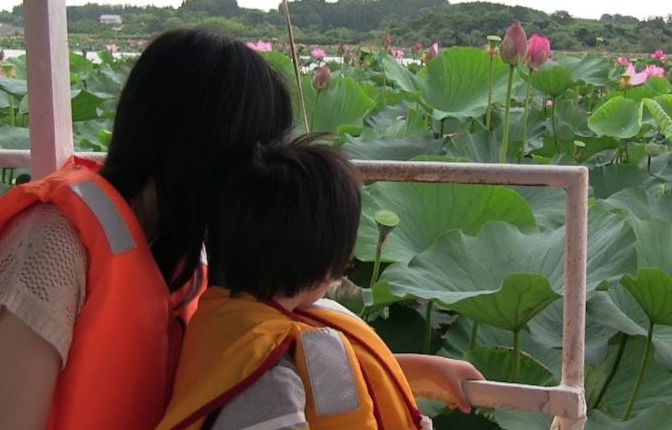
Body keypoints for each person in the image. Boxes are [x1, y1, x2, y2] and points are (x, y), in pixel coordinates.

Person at [0, 28, 294, 430]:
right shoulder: (52, 250)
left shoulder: (181, 258)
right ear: (207, 155)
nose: (264, 184)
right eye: (258, 161)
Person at [157, 136, 483, 430]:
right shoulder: (266, 382)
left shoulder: (234, 323)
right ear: (326, 267)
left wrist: (429, 370)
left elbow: (337, 381)